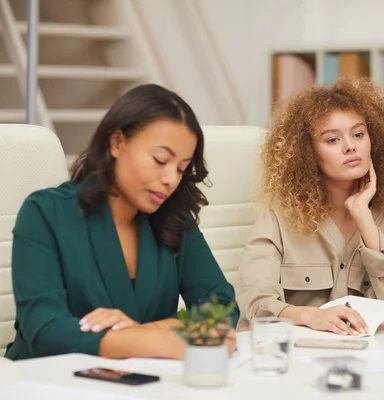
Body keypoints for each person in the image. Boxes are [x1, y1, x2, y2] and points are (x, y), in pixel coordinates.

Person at [5, 84, 238, 360]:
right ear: (117, 143)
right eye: (160, 160)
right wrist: (164, 343)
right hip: (46, 381)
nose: (171, 179)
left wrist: (145, 332)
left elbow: (220, 304)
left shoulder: (174, 217)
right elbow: (46, 330)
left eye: (181, 168)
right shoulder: (45, 213)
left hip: (139, 380)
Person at [236, 77, 384, 334]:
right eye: (332, 140)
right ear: (308, 152)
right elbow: (254, 301)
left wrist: (363, 218)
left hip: (361, 356)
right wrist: (310, 316)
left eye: (358, 134)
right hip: (289, 354)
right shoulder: (279, 214)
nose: (350, 146)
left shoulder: (383, 217)